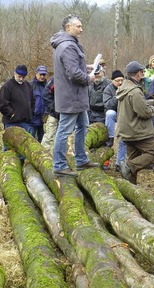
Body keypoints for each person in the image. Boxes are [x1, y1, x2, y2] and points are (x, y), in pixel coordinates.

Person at [50, 15, 99, 176]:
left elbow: (72, 65)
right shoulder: (68, 46)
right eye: (78, 26)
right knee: (64, 131)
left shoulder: (66, 45)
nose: (81, 29)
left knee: (83, 126)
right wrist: (90, 78)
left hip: (75, 97)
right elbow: (73, 74)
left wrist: (87, 66)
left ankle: (81, 160)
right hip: (72, 97)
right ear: (68, 28)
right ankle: (59, 165)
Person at [116, 61, 154, 184]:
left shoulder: (124, 87)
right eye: (142, 72)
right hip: (138, 132)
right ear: (138, 73)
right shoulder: (135, 91)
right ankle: (128, 165)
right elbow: (144, 112)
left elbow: (134, 105)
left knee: (134, 159)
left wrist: (151, 102)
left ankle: (130, 189)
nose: (143, 73)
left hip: (127, 131)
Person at [0, 64, 35, 139]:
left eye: (23, 77)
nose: (21, 79)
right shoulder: (7, 86)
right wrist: (11, 114)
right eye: (19, 76)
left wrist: (31, 113)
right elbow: (2, 104)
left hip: (26, 122)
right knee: (10, 147)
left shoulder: (28, 86)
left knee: (25, 148)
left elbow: (32, 101)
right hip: (11, 123)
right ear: (14, 73)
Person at [104, 70, 126, 171]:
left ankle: (119, 163)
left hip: (125, 115)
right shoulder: (108, 89)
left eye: (122, 80)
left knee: (123, 139)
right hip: (113, 114)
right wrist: (116, 96)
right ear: (112, 81)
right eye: (118, 80)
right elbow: (108, 105)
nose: (120, 83)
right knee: (110, 113)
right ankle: (110, 137)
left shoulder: (126, 87)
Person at [30, 65, 49, 142]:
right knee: (31, 142)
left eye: (44, 75)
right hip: (32, 120)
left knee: (42, 142)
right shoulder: (30, 86)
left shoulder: (48, 86)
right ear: (36, 74)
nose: (42, 76)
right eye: (40, 74)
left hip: (43, 120)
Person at [40, 77, 57, 151]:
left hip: (69, 115)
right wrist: (53, 107)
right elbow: (45, 94)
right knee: (49, 137)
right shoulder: (55, 79)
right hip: (54, 114)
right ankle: (44, 157)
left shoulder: (76, 78)